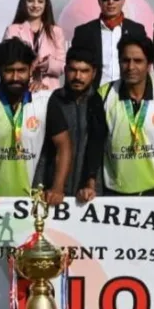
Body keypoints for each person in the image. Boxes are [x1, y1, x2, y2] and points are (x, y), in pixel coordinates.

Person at [0, 38, 71, 205]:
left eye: (21, 71)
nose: (15, 77)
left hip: (33, 200)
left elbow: (64, 144)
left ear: (31, 69)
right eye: (9, 71)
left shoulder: (45, 100)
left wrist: (57, 187)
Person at [79, 35, 154, 198]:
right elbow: (95, 143)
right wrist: (89, 184)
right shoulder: (104, 95)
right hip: (117, 192)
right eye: (125, 60)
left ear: (149, 64)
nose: (130, 67)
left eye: (138, 61)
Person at [71, 0, 147, 86]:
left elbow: (144, 65)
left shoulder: (136, 30)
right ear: (99, 2)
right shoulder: (83, 32)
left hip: (126, 95)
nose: (111, 2)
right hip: (94, 97)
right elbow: (74, 68)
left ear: (123, 1)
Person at [53, 47, 102, 197]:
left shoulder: (100, 102)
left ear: (93, 73)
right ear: (65, 69)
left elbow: (98, 145)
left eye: (84, 71)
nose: (78, 77)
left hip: (90, 193)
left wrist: (91, 184)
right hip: (55, 192)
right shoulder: (53, 100)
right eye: (73, 70)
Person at [3, 0, 66, 91]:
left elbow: (63, 66)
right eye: (31, 1)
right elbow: (6, 62)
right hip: (20, 91)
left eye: (40, 1)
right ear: (24, 3)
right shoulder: (12, 30)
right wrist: (31, 63)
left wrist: (47, 64)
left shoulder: (56, 32)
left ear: (46, 5)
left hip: (49, 92)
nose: (35, 5)